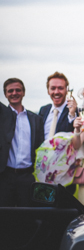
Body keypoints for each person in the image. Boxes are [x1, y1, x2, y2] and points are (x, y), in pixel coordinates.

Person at [0, 78, 45, 206]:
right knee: (4, 217)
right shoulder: (2, 115)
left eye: (18, 90)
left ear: (24, 92)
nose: (14, 93)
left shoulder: (36, 119)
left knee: (26, 217)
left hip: (26, 177)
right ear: (5, 94)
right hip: (5, 176)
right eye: (10, 91)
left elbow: (40, 146)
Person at [39, 72, 77, 139]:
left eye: (60, 88)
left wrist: (72, 114)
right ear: (48, 91)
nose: (56, 92)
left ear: (66, 90)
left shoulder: (74, 111)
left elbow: (73, 133)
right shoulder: (43, 110)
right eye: (53, 88)